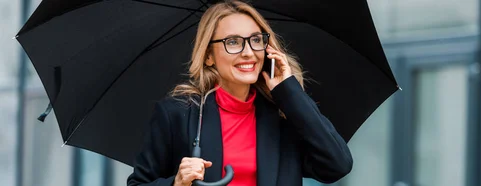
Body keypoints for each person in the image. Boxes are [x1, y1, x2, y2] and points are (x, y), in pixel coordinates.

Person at [126, 1, 353, 186]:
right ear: (208, 56)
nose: (248, 53)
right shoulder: (177, 114)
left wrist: (289, 90)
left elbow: (337, 165)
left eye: (256, 40)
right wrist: (176, 183)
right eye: (232, 42)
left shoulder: (284, 115)